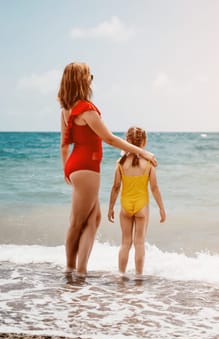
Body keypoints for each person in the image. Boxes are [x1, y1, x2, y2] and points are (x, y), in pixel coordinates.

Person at [58, 62, 157, 279]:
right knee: (77, 222)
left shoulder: (67, 109)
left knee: (93, 219)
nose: (91, 79)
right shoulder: (86, 109)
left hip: (76, 166)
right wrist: (145, 153)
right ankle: (71, 269)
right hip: (87, 168)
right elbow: (110, 139)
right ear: (81, 80)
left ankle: (79, 270)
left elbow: (64, 144)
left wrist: (67, 169)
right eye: (89, 76)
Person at [107, 126, 166, 275]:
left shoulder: (120, 163)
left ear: (127, 141)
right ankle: (139, 276)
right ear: (144, 142)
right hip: (142, 207)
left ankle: (121, 274)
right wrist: (161, 208)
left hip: (125, 207)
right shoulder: (149, 164)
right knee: (139, 243)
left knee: (125, 243)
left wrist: (111, 208)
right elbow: (154, 188)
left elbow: (115, 187)